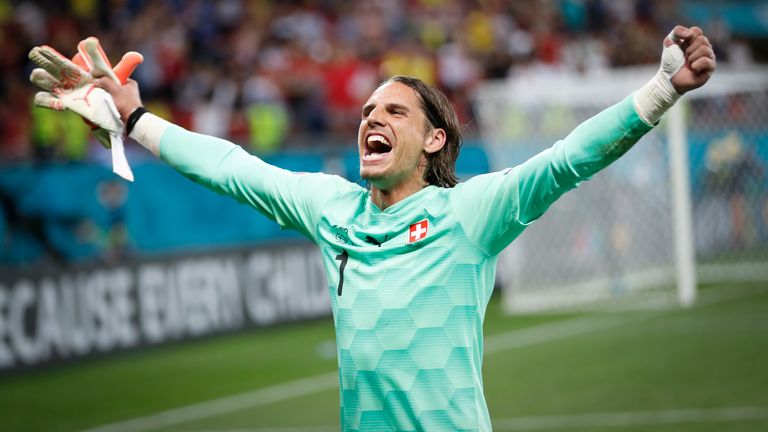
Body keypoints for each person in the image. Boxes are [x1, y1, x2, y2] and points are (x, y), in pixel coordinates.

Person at [37, 25, 715, 431]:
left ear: (432, 140)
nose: (371, 119)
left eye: (394, 111)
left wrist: (662, 91)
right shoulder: (332, 209)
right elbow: (232, 167)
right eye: (366, 110)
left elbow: (566, 161)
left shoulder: (468, 215)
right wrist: (134, 118)